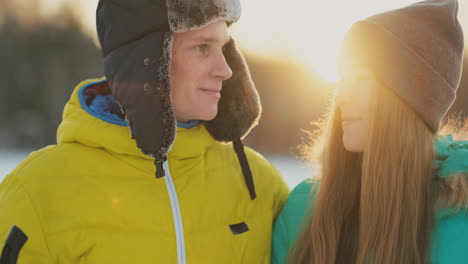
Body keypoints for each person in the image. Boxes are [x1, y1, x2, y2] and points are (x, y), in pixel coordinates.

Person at [0, 0, 290, 263]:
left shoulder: (260, 184)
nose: (225, 69)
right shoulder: (36, 193)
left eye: (224, 47)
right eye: (203, 48)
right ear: (147, 58)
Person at [271, 0, 467, 263]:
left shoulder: (460, 217)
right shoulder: (304, 207)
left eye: (361, 78)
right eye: (342, 78)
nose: (341, 96)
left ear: (406, 102)